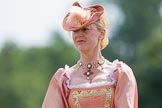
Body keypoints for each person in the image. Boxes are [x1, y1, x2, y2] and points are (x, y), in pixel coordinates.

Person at [42, 1, 138, 108]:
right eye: (75, 31)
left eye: (85, 29)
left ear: (102, 33)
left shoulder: (120, 74)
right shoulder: (62, 79)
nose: (79, 35)